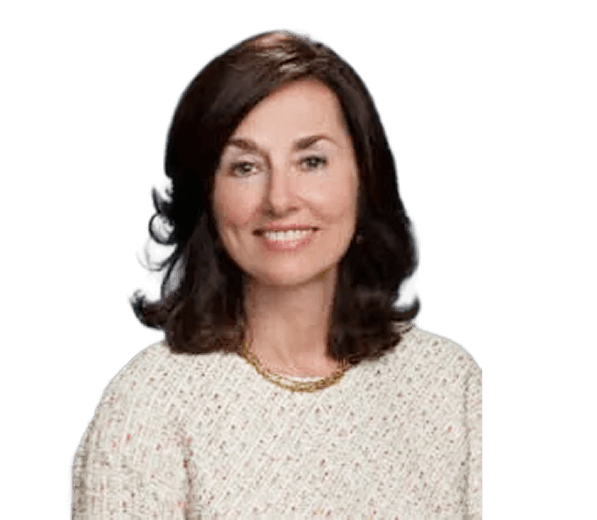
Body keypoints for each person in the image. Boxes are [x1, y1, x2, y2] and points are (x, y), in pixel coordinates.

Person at [69, 29, 482, 518]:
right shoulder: (146, 405)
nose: (280, 199)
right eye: (245, 167)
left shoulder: (451, 384)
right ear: (207, 194)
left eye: (312, 161)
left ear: (363, 178)